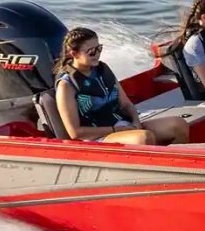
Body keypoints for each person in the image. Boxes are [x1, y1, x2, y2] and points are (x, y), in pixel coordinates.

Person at [53, 27, 190, 145]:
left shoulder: (103, 70)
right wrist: (115, 130)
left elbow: (126, 104)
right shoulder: (67, 85)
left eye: (99, 49)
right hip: (97, 137)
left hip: (122, 126)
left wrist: (136, 122)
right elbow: (75, 132)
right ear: (74, 54)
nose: (97, 54)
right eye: (91, 52)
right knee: (144, 138)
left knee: (179, 125)